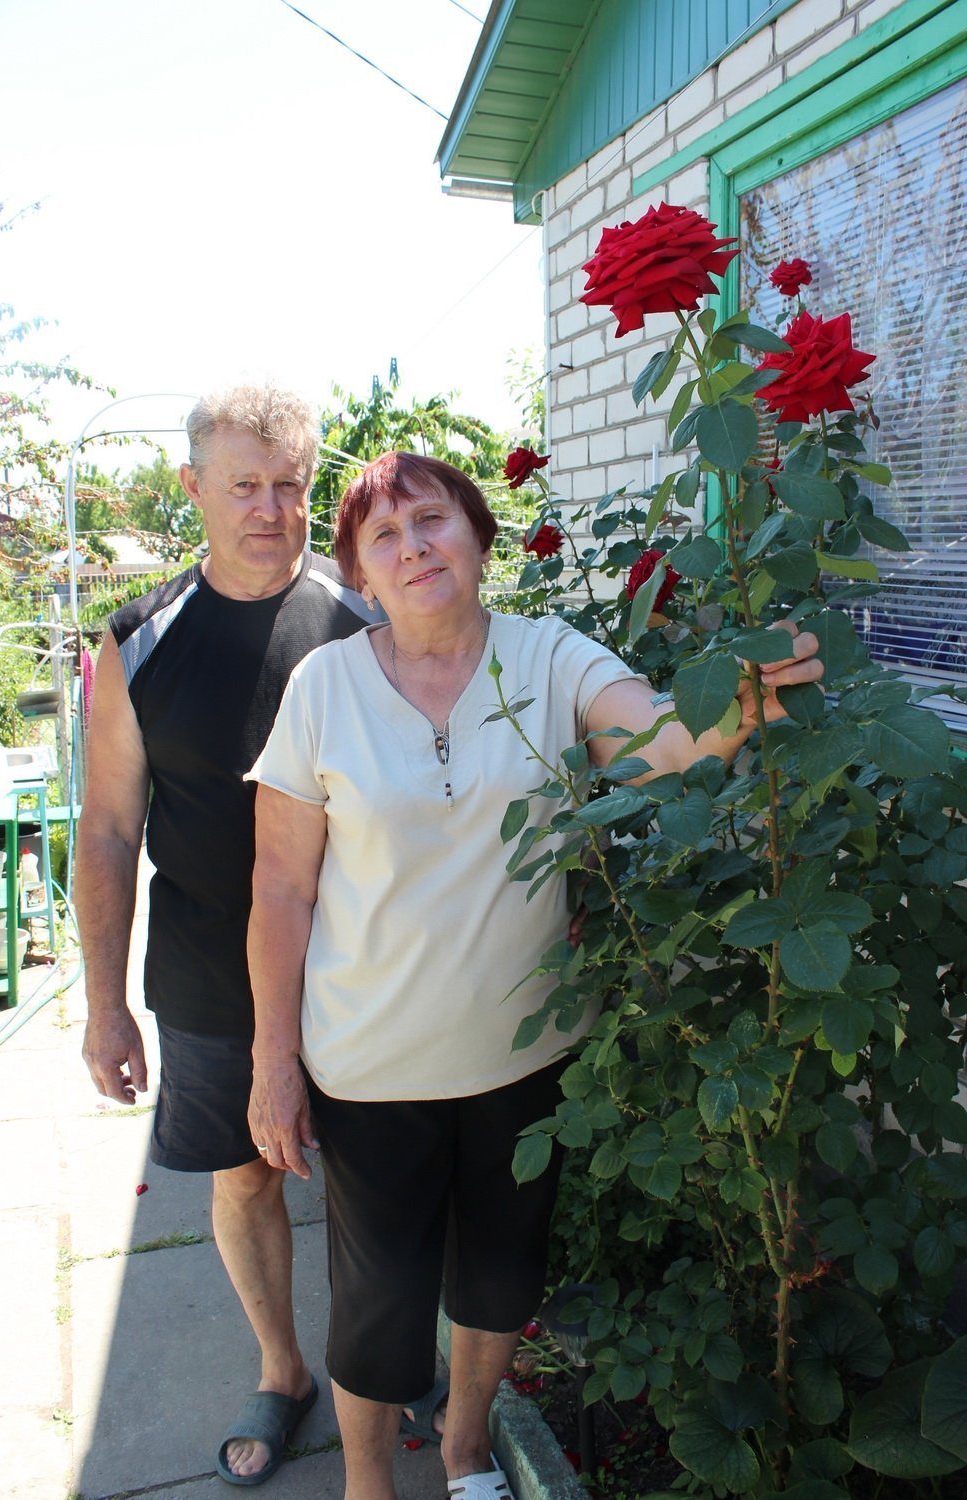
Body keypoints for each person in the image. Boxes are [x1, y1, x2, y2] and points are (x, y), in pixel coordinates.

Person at [243, 451, 823, 1500]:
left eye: (433, 520)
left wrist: (742, 706)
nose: (414, 546)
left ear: (476, 536)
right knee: (377, 1305)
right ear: (360, 574)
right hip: (368, 1066)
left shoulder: (549, 656)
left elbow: (662, 741)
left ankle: (465, 1451)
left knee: (501, 1279)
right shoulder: (324, 685)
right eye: (385, 536)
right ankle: (365, 1482)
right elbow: (281, 889)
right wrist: (271, 1060)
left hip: (522, 1056)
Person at [74, 384, 376, 1487]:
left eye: (290, 483)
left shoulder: (364, 619)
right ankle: (282, 1367)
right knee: (245, 1176)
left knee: (372, 1180)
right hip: (206, 973)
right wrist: (106, 1004)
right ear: (193, 489)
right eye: (242, 484)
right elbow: (107, 832)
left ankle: (376, 1364)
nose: (269, 506)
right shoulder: (142, 641)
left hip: (362, 969)